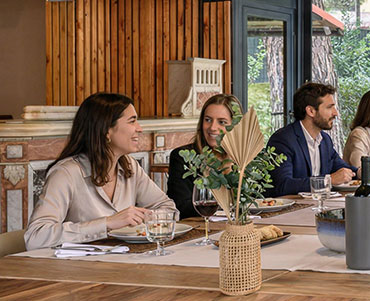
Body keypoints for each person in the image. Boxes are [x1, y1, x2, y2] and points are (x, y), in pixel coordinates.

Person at [24, 93, 176, 250]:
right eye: (132, 121)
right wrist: (107, 223)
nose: (140, 129)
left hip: (124, 258)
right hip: (78, 264)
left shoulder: (129, 166)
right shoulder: (65, 173)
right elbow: (35, 237)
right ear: (106, 131)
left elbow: (168, 208)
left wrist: (145, 218)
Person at [266, 82, 370, 197]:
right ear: (311, 111)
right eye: (330, 107)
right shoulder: (283, 140)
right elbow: (282, 185)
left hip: (319, 203)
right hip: (294, 207)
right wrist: (328, 180)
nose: (336, 113)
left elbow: (340, 167)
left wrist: (361, 172)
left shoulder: (325, 140)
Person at [166, 94, 241, 219]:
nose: (212, 127)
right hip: (199, 228)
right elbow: (181, 206)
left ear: (235, 127)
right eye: (208, 120)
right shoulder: (183, 157)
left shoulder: (245, 159)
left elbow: (260, 200)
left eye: (222, 122)